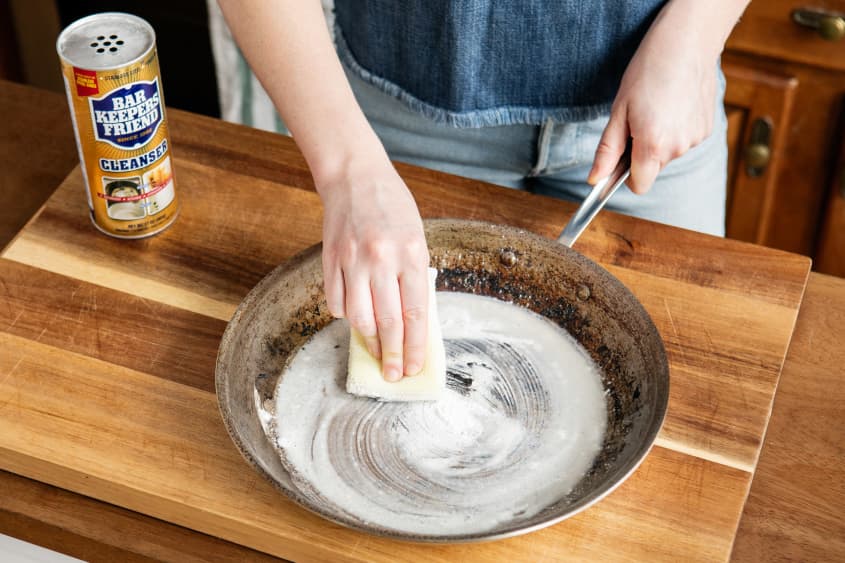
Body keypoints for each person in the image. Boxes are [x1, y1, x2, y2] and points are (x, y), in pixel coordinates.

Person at [216, 0, 749, 383]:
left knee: (688, 391)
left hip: (656, 103)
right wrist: (346, 168)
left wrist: (698, 32)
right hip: (392, 124)